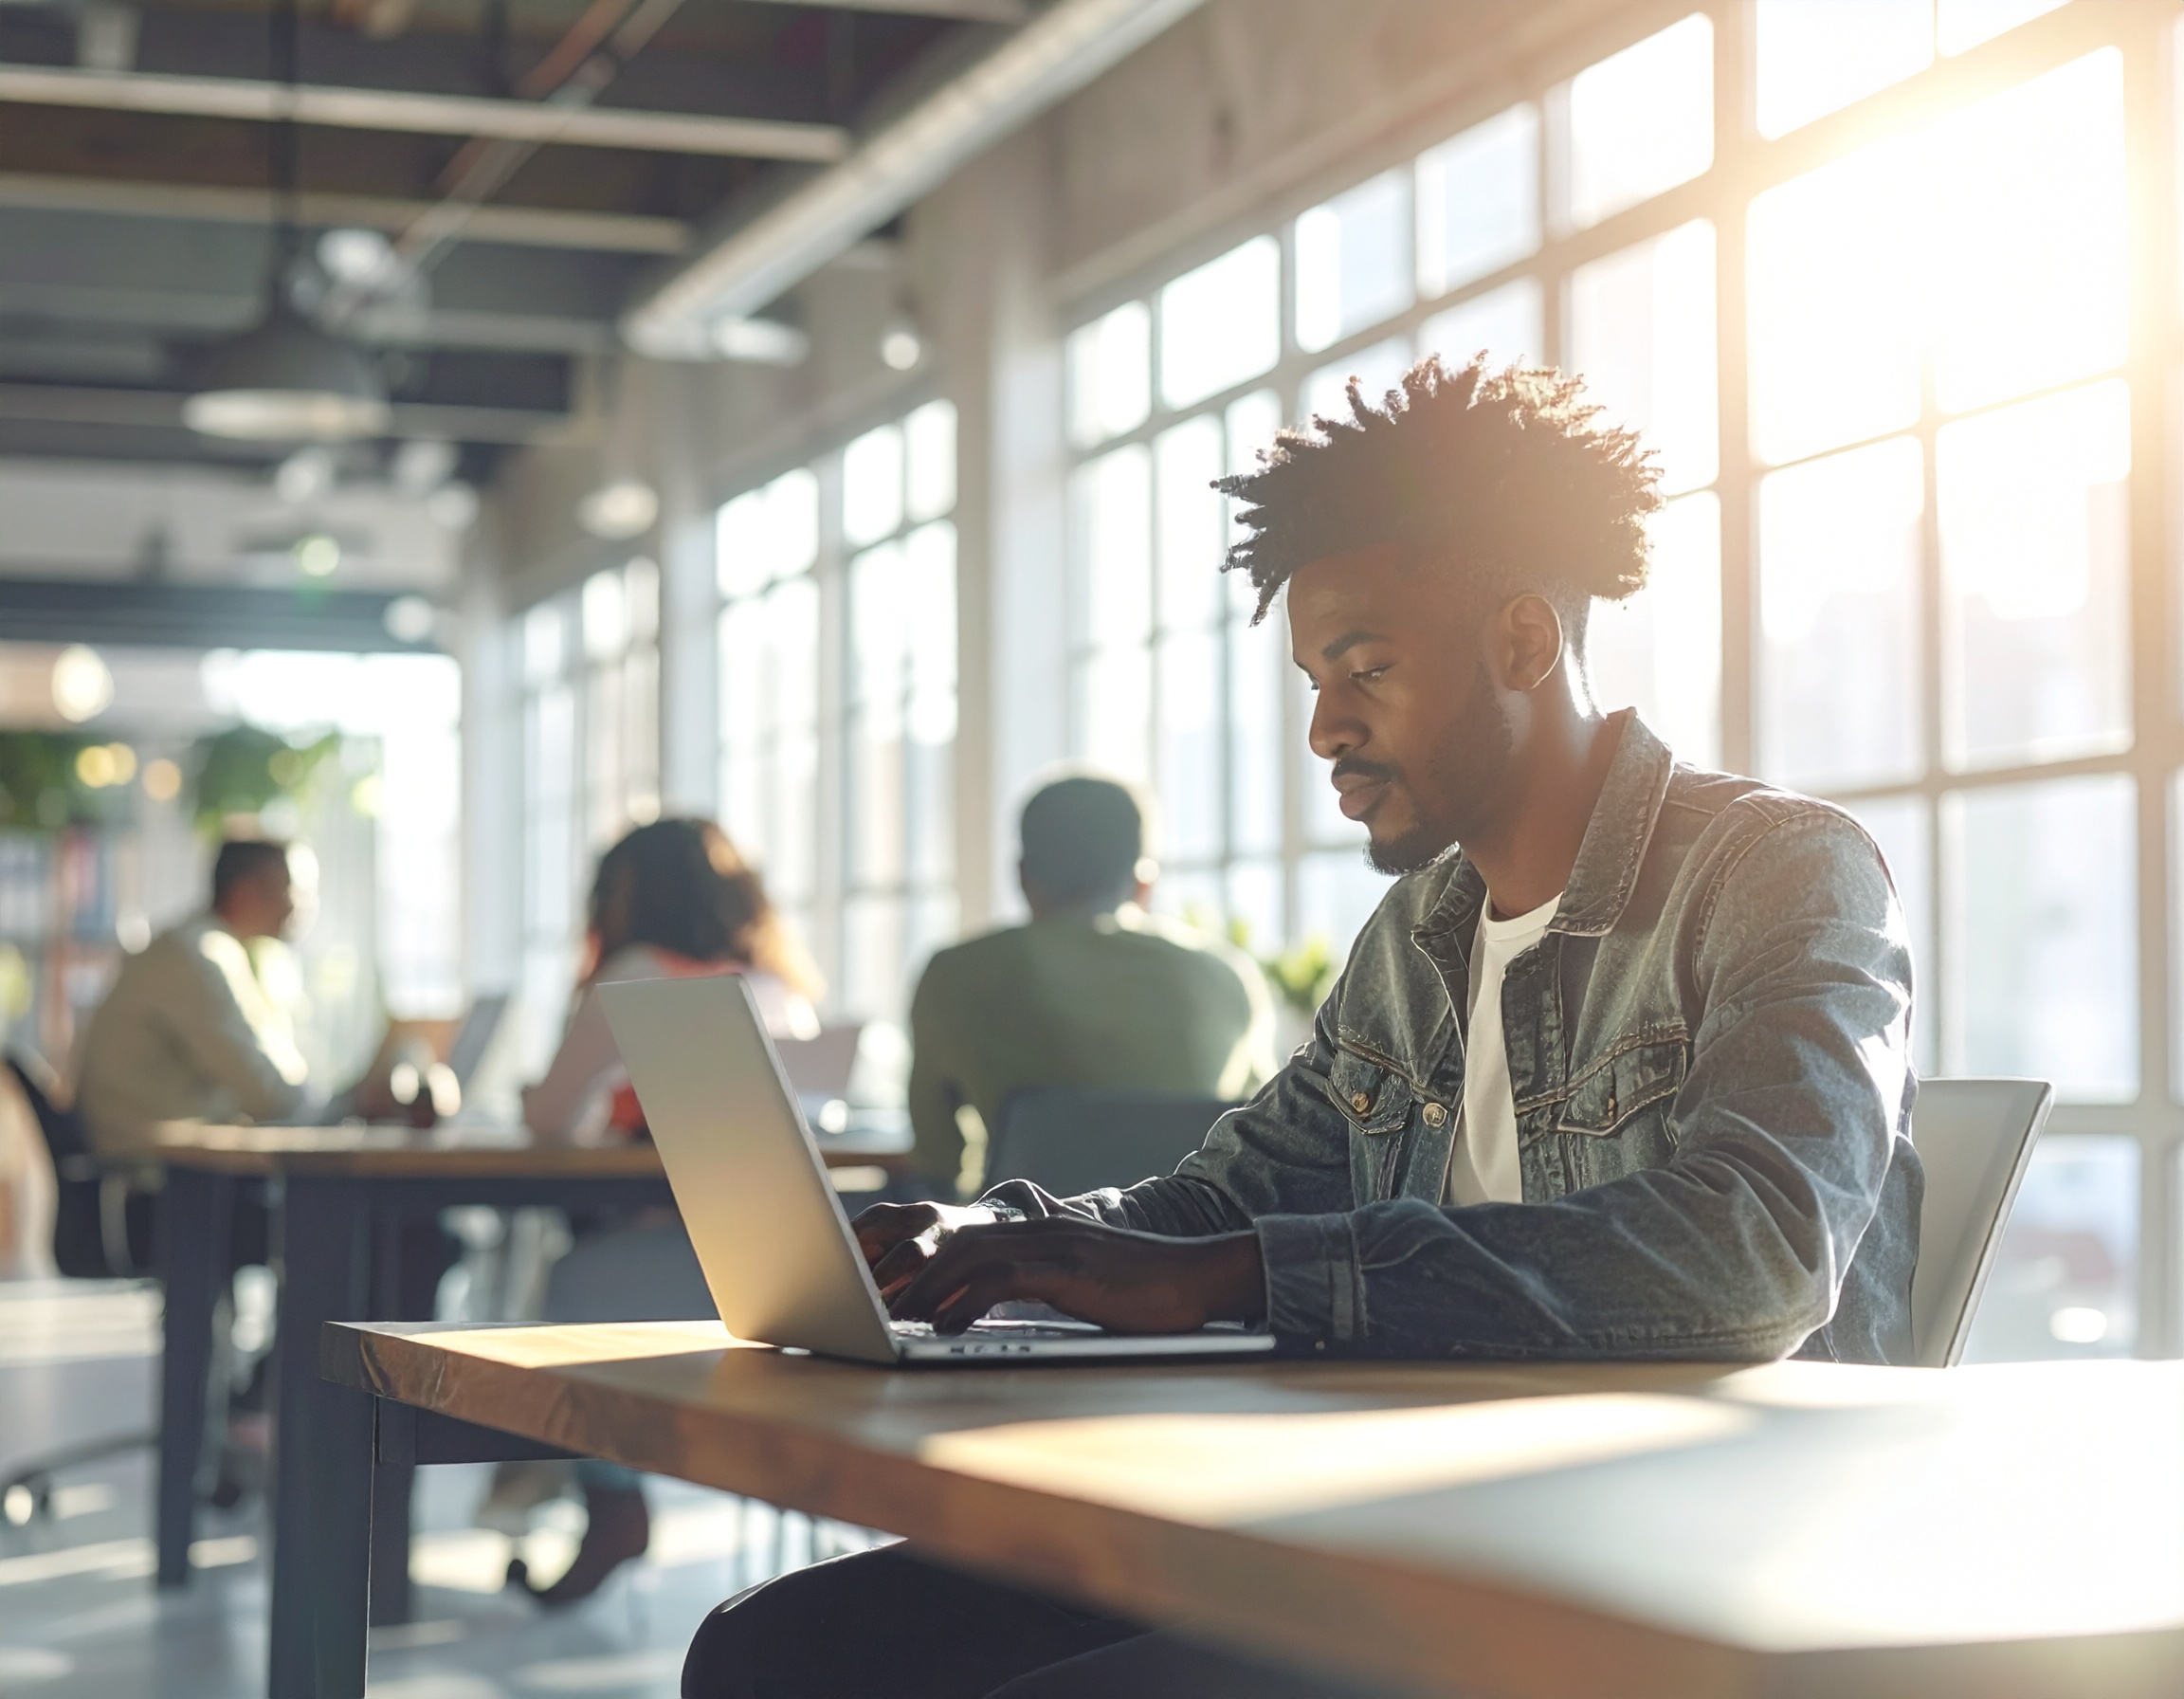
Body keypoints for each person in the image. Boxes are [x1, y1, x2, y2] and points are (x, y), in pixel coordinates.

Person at [682, 356, 1923, 1698]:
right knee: (775, 1654)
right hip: (1400, 1530)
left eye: (1367, 668)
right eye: (1314, 678)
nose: (1328, 724)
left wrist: (1232, 1278)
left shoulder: (1781, 871)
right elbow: (1231, 1192)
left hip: (1655, 1572)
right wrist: (1002, 1240)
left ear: (1521, 642)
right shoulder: (1421, 934)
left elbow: (1759, 1252)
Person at [507, 816, 820, 1608]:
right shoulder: (777, 986)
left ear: (622, 895)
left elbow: (549, 1119)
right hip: (803, 1265)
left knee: (573, 1284)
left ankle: (610, 1504)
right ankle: (595, 1505)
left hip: (691, 1263)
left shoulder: (638, 970)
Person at [906, 775, 1275, 1197]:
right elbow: (1266, 1143)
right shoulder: (1226, 974)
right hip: (1189, 1252)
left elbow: (936, 1164)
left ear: (1022, 876)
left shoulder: (955, 975)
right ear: (1144, 883)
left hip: (1023, 1250)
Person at [76, 838, 318, 1156]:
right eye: (295, 889)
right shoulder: (197, 957)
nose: (305, 904)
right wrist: (351, 1102)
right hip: (151, 1175)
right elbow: (271, 1097)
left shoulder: (216, 950)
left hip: (170, 1166)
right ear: (246, 891)